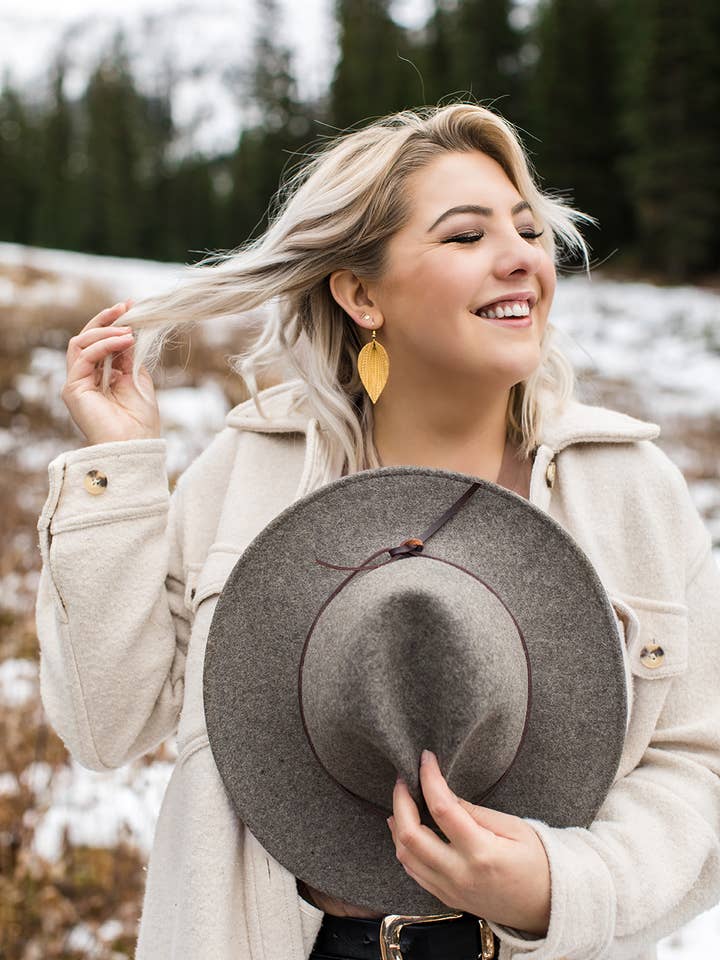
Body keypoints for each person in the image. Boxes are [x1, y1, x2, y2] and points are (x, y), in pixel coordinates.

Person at [36, 103, 720, 960]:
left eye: (529, 228)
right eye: (466, 237)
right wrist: (121, 471)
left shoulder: (628, 489)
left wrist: (560, 884)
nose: (522, 260)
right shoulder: (254, 472)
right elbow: (108, 728)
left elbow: (702, 767)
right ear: (361, 294)